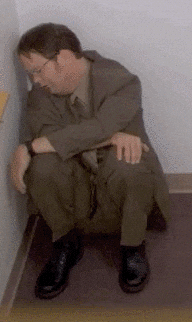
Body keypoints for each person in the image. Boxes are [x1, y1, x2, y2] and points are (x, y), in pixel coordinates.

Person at [10, 23, 170, 299]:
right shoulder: (40, 95)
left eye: (37, 70)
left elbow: (98, 127)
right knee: (43, 166)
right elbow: (53, 137)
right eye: (30, 74)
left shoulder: (120, 80)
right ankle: (65, 242)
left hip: (116, 181)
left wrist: (29, 147)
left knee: (130, 160)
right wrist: (109, 136)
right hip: (78, 186)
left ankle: (132, 245)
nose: (35, 80)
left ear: (62, 58)